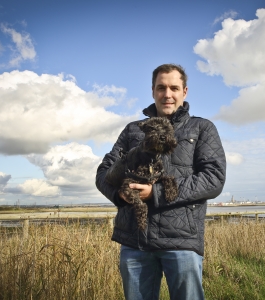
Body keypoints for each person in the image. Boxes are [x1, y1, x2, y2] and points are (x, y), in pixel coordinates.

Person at [95, 63, 226, 300]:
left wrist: (154, 193)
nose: (167, 94)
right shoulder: (133, 130)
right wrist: (119, 196)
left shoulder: (202, 128)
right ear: (153, 91)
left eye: (174, 88)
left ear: (184, 92)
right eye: (161, 88)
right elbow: (103, 173)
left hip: (181, 242)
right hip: (135, 243)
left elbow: (213, 179)